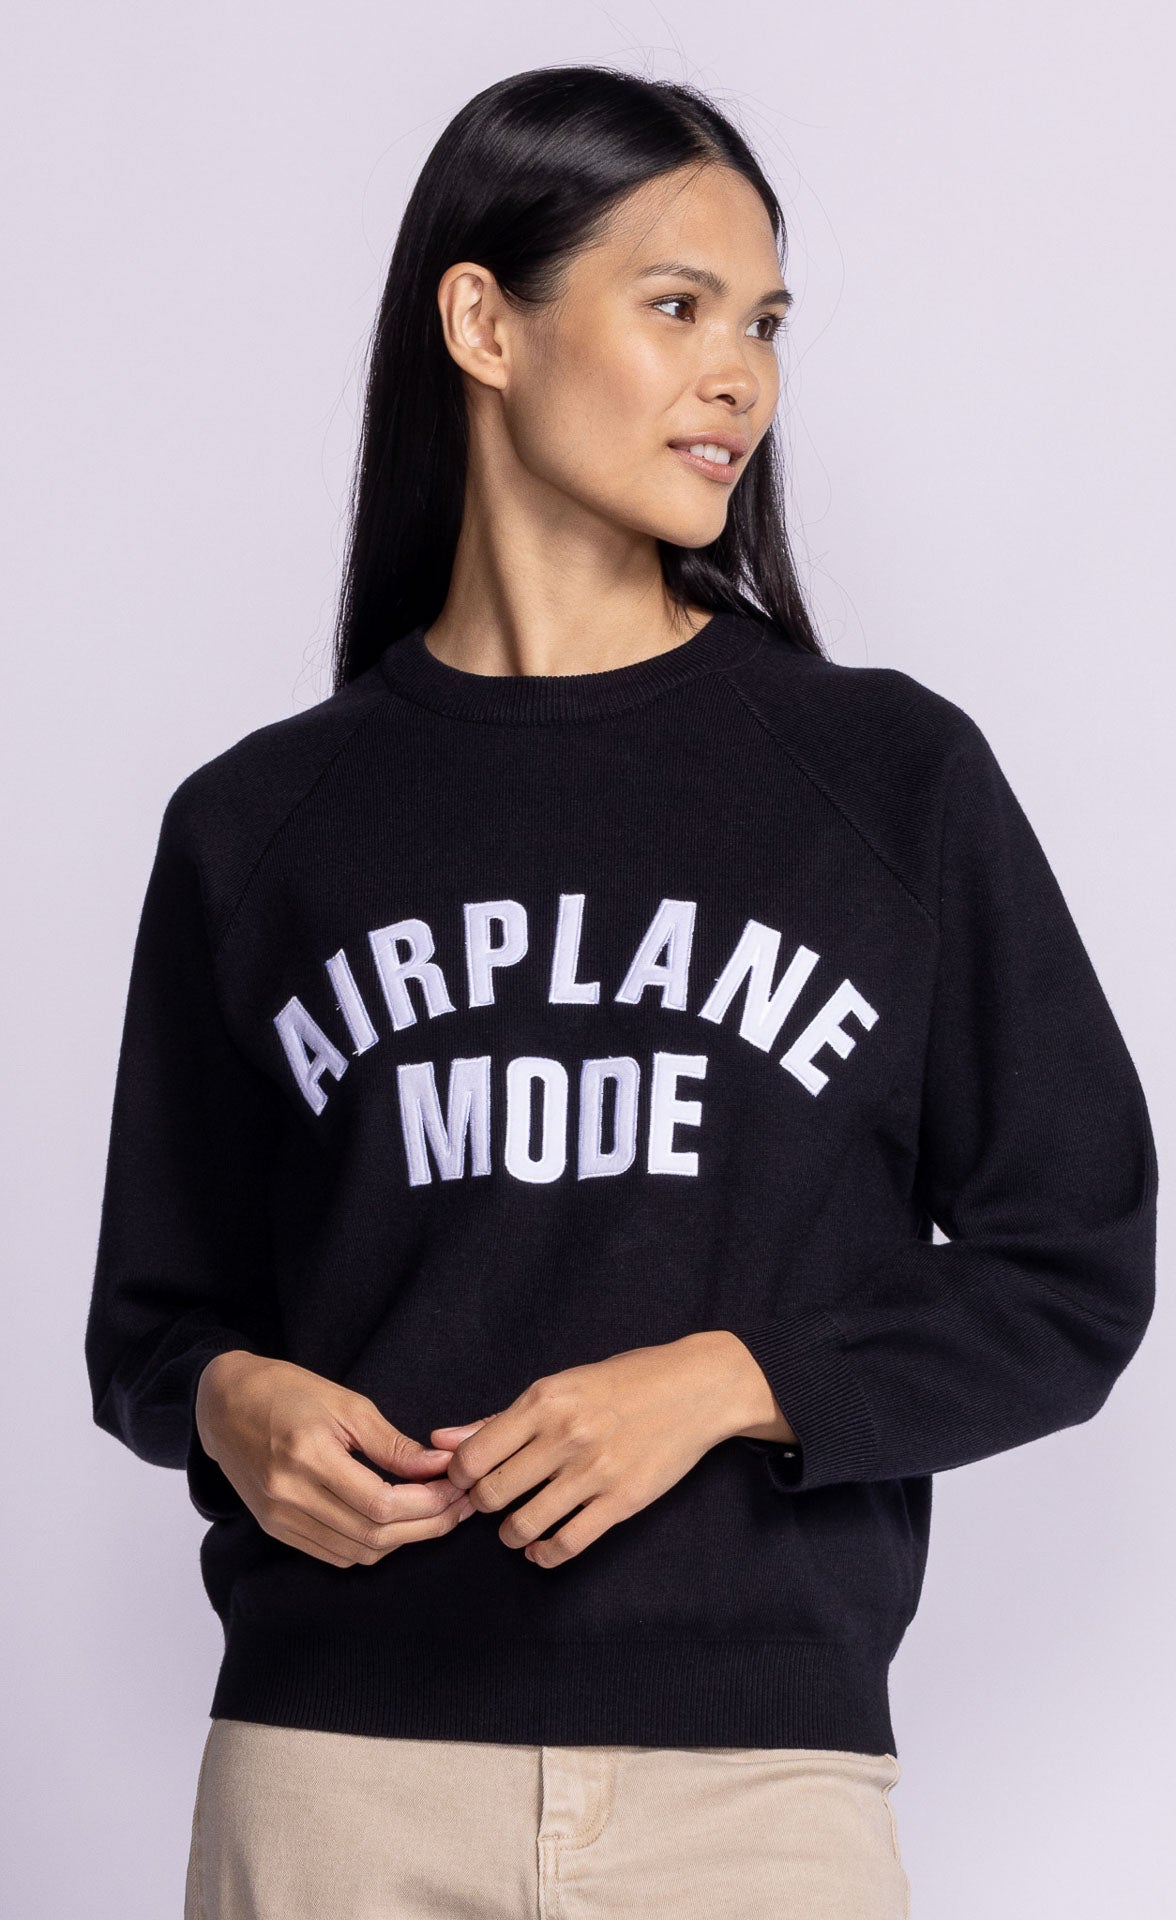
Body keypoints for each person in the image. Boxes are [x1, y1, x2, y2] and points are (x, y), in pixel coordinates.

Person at [84, 64, 1158, 1920]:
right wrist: (231, 1406)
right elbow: (153, 1324)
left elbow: (1074, 1264)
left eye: (764, 326)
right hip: (336, 1777)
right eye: (677, 307)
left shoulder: (887, 782)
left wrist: (736, 1380)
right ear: (483, 323)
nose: (737, 376)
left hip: (753, 1796)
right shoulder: (259, 825)